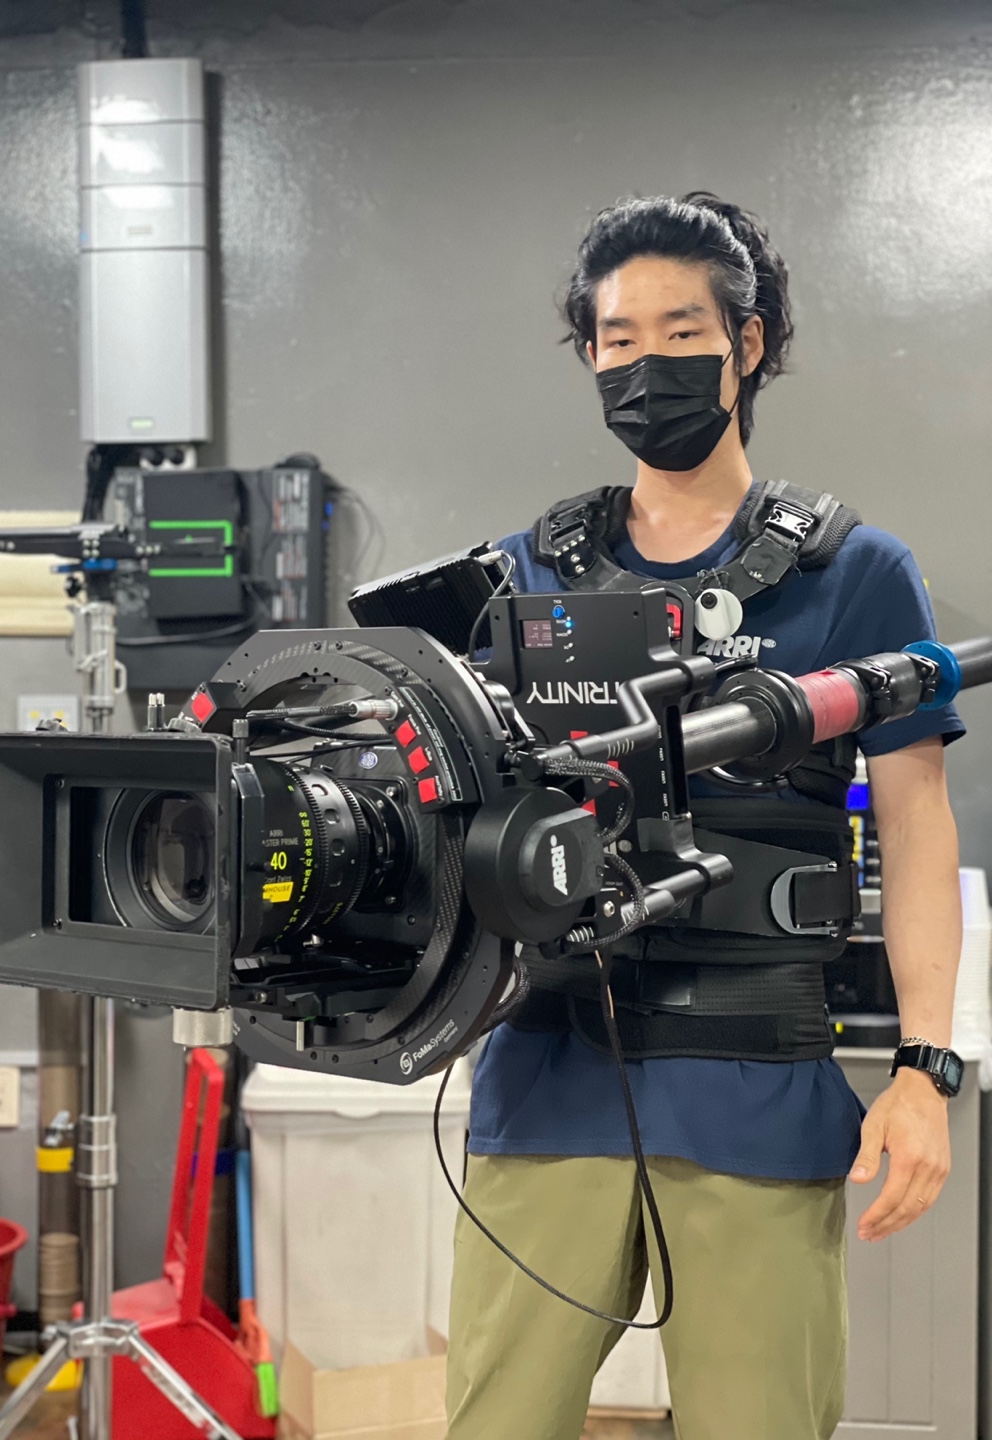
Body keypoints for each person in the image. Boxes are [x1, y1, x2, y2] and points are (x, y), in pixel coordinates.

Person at [444, 195, 965, 1440]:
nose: (646, 363)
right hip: (551, 1066)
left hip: (754, 1073)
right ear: (589, 356)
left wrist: (925, 1070)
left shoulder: (855, 573)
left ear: (748, 342)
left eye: (681, 332)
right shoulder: (526, 573)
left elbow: (917, 828)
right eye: (617, 339)